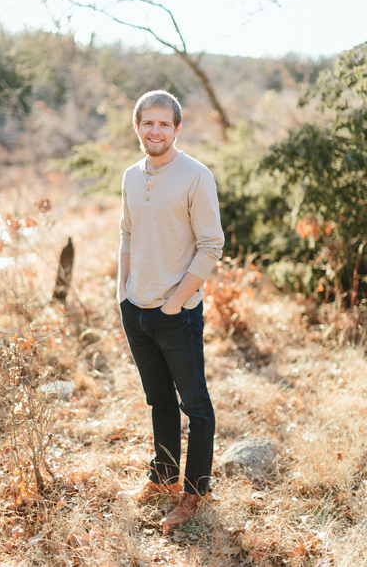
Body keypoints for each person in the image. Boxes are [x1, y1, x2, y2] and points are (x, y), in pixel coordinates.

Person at [116, 90, 224, 532]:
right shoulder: (129, 175)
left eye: (164, 124)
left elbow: (211, 245)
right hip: (135, 309)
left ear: (177, 129)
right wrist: (121, 291)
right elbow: (125, 232)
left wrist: (177, 300)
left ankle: (193, 493)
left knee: (194, 405)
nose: (155, 131)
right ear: (137, 127)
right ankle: (161, 477)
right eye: (148, 123)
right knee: (158, 399)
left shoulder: (196, 176)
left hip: (177, 313)